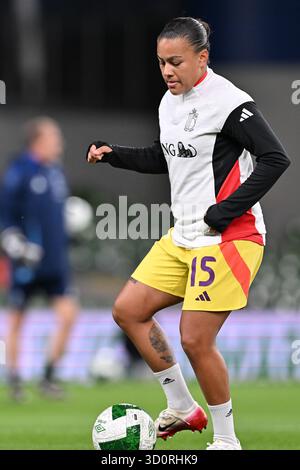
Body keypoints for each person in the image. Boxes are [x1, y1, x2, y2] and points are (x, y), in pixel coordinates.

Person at [86, 17, 290, 450]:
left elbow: (276, 158)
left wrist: (226, 211)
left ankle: (226, 440)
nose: (167, 71)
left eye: (175, 62)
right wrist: (114, 155)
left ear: (203, 58)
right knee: (128, 310)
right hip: (185, 236)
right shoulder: (168, 103)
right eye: (161, 62)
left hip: (231, 238)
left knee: (195, 338)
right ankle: (181, 405)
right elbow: (169, 157)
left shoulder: (230, 102)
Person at [0, 117, 78, 400]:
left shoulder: (56, 172)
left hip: (55, 262)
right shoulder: (19, 171)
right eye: (55, 137)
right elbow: (5, 215)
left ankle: (48, 377)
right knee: (18, 319)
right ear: (38, 140)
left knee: (69, 315)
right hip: (28, 262)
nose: (60, 143)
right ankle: (15, 382)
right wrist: (15, 243)